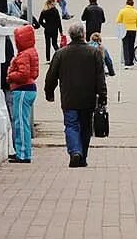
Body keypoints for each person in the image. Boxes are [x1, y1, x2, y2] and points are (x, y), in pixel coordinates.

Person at [43, 22, 106, 168]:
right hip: (88, 98)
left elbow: (51, 75)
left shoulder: (61, 53)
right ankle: (82, 156)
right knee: (85, 127)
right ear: (83, 34)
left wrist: (49, 92)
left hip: (69, 97)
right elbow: (100, 77)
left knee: (71, 125)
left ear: (71, 35)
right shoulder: (94, 52)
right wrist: (102, 96)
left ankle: (75, 152)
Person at [5, 24, 39, 162]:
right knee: (22, 121)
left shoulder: (24, 54)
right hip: (29, 89)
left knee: (21, 122)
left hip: (22, 89)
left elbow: (23, 74)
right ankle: (22, 151)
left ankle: (23, 154)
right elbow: (33, 73)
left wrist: (10, 76)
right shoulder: (32, 51)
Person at [116, 0, 137, 67]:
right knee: (131, 45)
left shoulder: (122, 11)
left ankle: (126, 62)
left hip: (124, 29)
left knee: (125, 46)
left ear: (126, 4)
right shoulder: (136, 12)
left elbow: (118, 21)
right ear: (133, 4)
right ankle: (131, 61)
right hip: (133, 30)